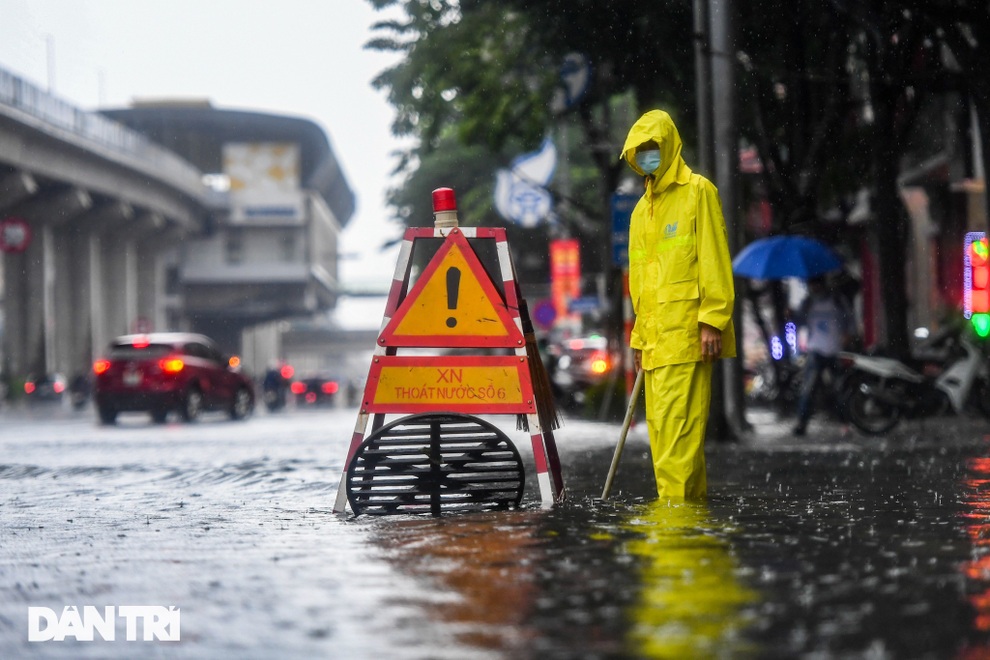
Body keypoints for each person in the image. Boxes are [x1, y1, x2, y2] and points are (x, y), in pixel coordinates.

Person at [620, 109, 737, 500]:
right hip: (654, 345)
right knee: (667, 442)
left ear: (669, 145)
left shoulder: (697, 191)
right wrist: (638, 338)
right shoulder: (640, 212)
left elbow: (713, 257)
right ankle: (689, 531)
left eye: (653, 147)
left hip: (686, 338)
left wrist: (712, 320)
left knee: (676, 446)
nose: (648, 156)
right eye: (641, 151)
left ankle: (673, 529)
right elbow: (640, 283)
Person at [791, 276, 852, 436]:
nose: (814, 288)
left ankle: (845, 423)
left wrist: (847, 336)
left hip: (835, 350)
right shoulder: (808, 303)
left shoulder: (837, 300)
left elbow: (849, 321)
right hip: (816, 350)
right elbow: (799, 321)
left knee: (839, 389)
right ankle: (801, 423)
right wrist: (792, 314)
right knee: (808, 390)